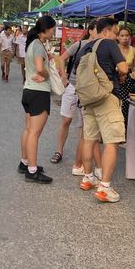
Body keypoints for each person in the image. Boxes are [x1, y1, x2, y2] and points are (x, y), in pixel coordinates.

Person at [76, 18, 129, 203]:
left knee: (89, 140)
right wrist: (119, 71)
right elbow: (124, 67)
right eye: (115, 32)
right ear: (106, 31)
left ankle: (88, 177)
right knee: (111, 143)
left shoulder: (85, 48)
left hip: (89, 100)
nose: (116, 36)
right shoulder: (108, 43)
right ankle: (105, 187)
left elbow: (77, 72)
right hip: (107, 98)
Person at [50, 19, 94, 169]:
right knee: (66, 121)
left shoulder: (100, 47)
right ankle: (59, 151)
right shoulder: (80, 45)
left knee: (85, 126)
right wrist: (64, 77)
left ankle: (82, 158)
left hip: (88, 91)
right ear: (91, 30)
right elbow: (61, 59)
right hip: (72, 87)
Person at [18, 16, 57, 184]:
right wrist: (46, 75)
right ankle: (32, 171)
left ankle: (25, 163)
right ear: (45, 29)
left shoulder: (32, 43)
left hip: (28, 91)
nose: (54, 32)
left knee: (28, 130)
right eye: (53, 29)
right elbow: (41, 69)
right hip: (38, 92)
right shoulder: (38, 45)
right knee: (34, 133)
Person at [116, 26, 135, 121]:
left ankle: (125, 130)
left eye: (127, 35)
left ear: (130, 37)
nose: (125, 38)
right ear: (118, 37)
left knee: (127, 106)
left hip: (129, 81)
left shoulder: (134, 51)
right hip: (116, 78)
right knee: (117, 105)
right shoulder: (114, 49)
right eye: (122, 35)